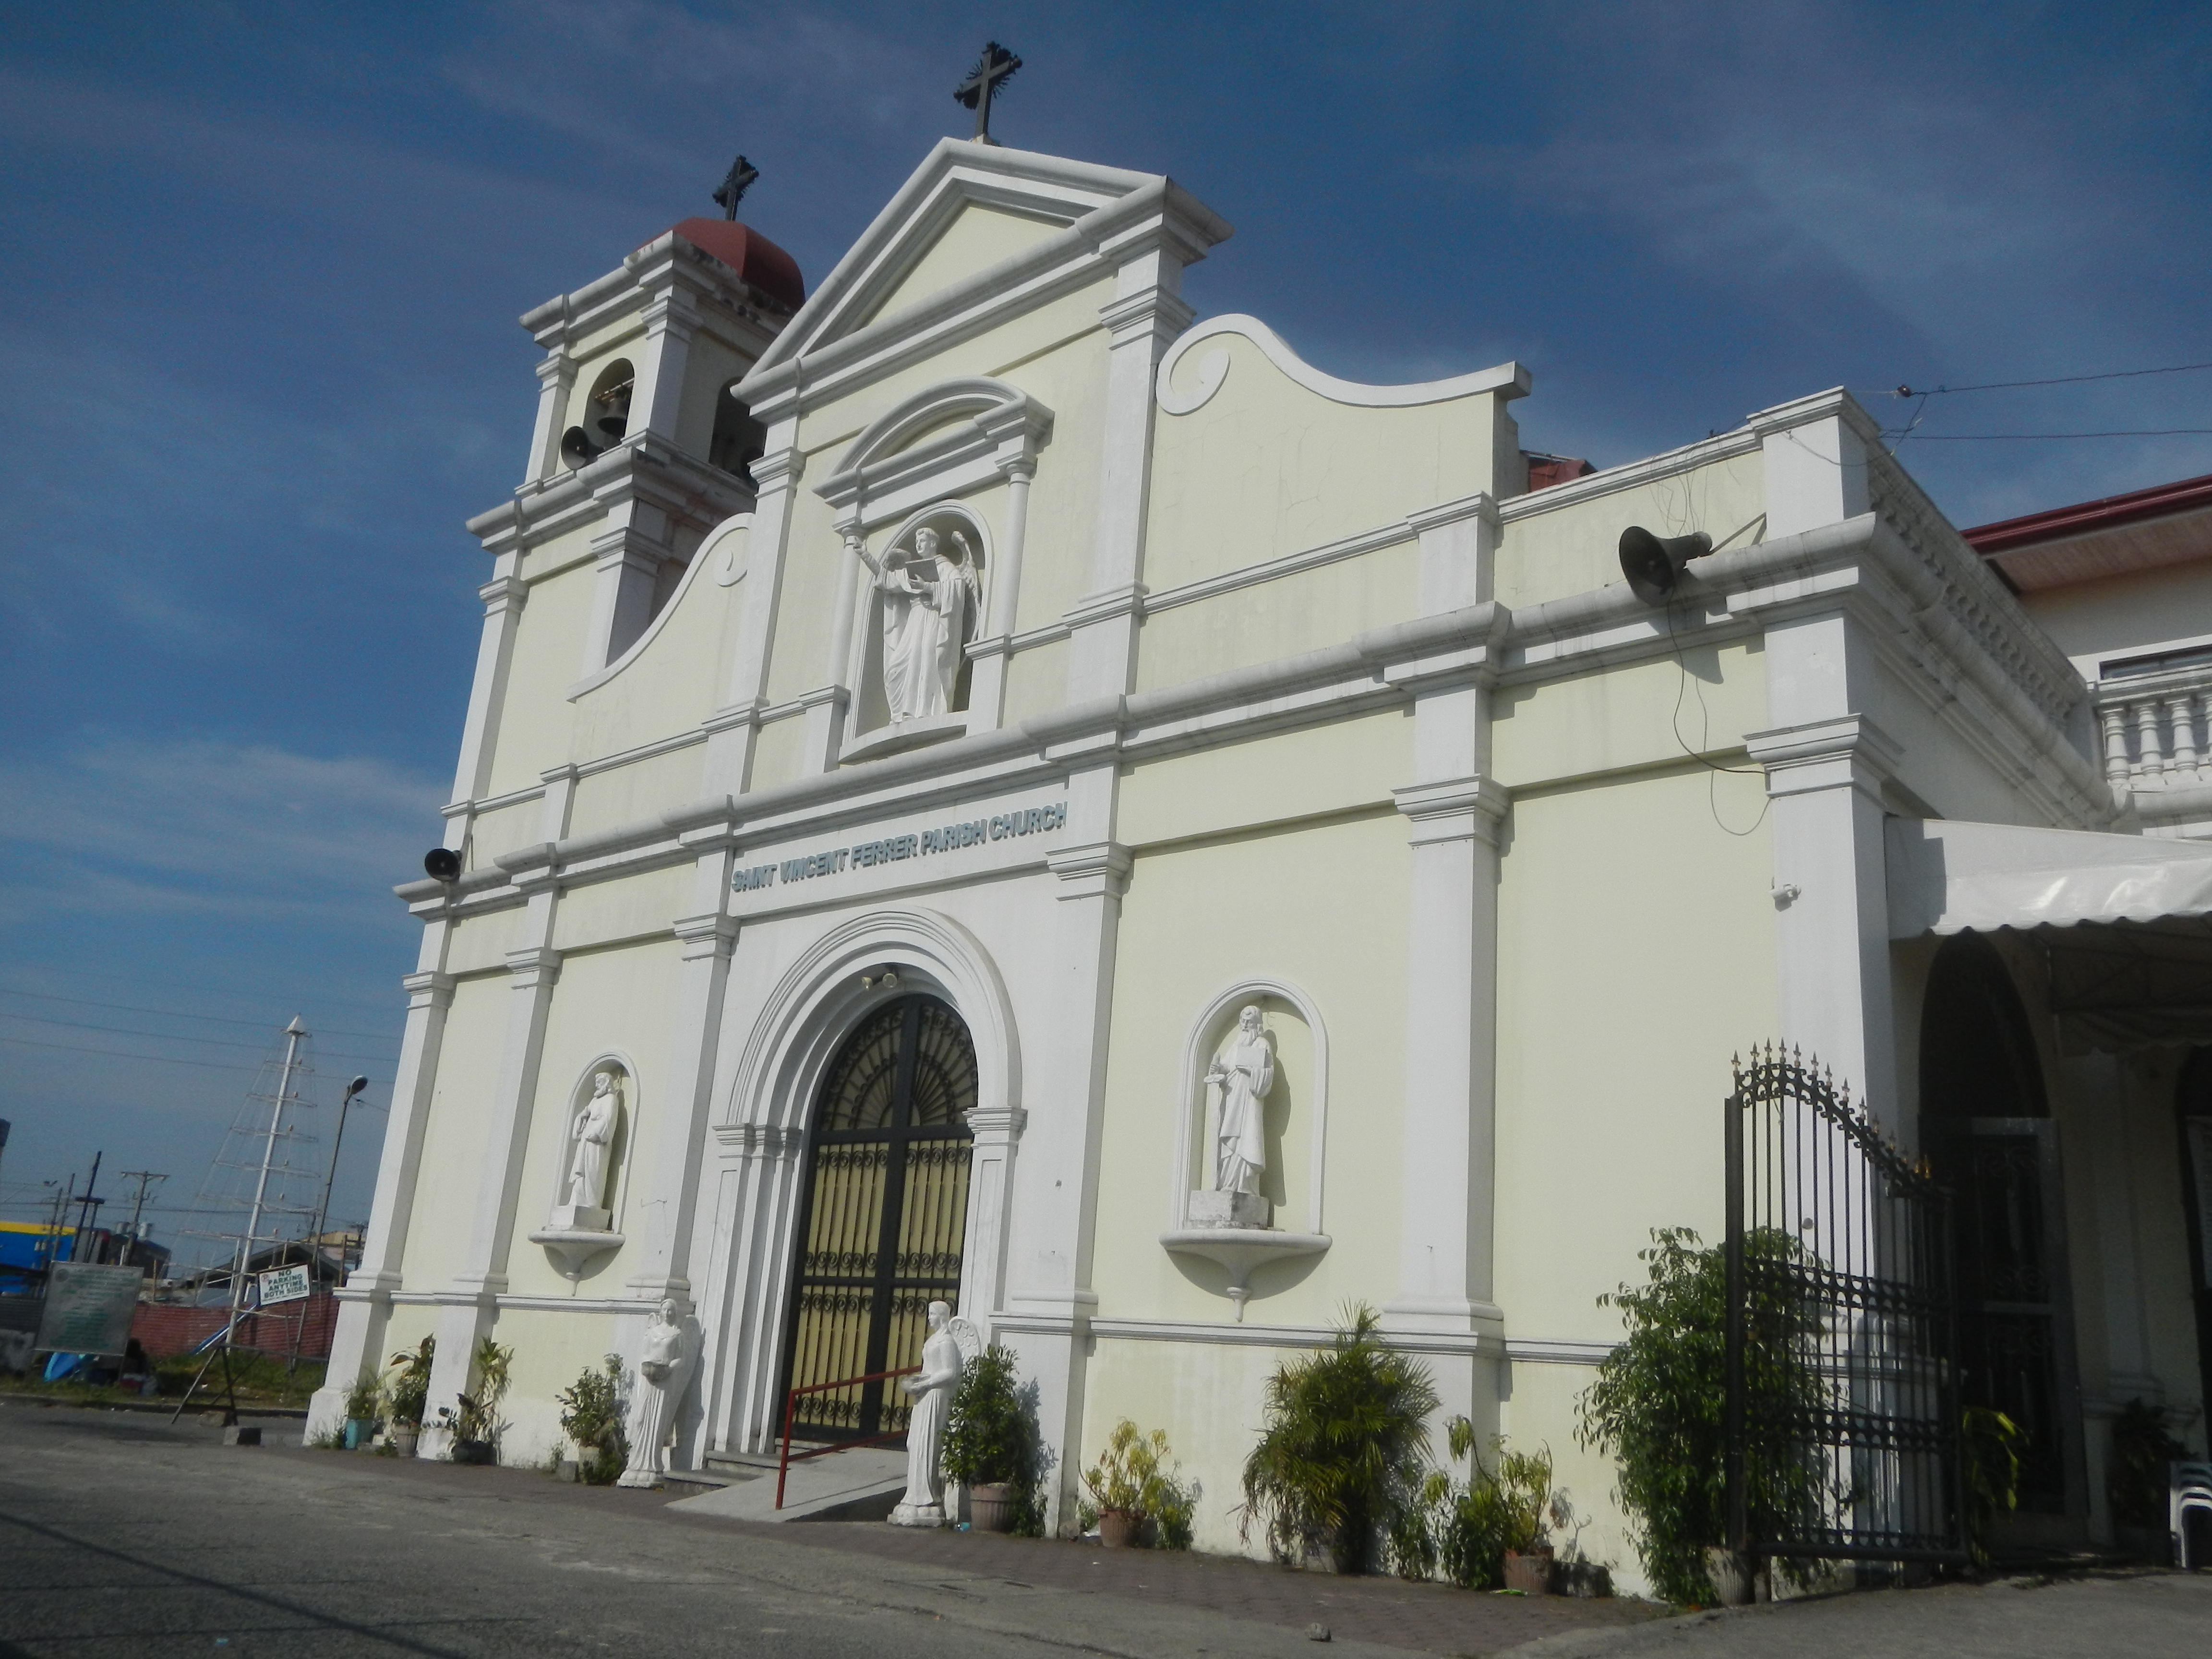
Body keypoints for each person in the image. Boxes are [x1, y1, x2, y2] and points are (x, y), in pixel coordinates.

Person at [879, 527, 981, 721]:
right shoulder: (909, 570)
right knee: (899, 664)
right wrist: (865, 555)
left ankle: (926, 711)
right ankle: (905, 710)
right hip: (915, 620)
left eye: (922, 541)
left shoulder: (944, 566)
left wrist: (928, 587)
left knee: (928, 656)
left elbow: (957, 587)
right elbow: (887, 580)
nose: (918, 545)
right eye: (917, 542)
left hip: (934, 619)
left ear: (933, 543)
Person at [889, 1300, 964, 1526]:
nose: (929, 1318)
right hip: (924, 1393)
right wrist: (917, 1382)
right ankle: (913, 1494)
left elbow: (950, 1372)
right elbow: (929, 1369)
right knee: (914, 1443)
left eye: (932, 1314)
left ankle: (927, 1498)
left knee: (928, 1443)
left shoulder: (947, 1342)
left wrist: (927, 1383)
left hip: (935, 1395)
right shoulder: (933, 1340)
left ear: (942, 1316)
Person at [616, 1299, 694, 1488]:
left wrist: (668, 1369)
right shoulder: (651, 1332)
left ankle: (652, 1466)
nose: (668, 1313)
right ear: (660, 1312)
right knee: (641, 1419)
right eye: (665, 1310)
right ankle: (635, 1464)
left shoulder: (677, 1334)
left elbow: (681, 1359)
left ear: (675, 1313)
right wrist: (648, 1366)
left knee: (657, 1422)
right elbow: (644, 1354)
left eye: (671, 1310)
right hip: (648, 1380)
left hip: (664, 1381)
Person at [1208, 1005, 1275, 1196]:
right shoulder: (1236, 1045)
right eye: (1243, 1021)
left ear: (1257, 1024)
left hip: (1250, 1101)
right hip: (1232, 1099)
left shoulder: (1262, 1044)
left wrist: (1252, 1072)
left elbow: (1268, 1074)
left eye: (1249, 1022)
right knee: (1230, 1142)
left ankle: (1245, 1185)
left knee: (1247, 1138)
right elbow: (1226, 1067)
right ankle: (1227, 1183)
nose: (1245, 1025)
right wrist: (1218, 1069)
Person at [565, 1070, 619, 1213]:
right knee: (581, 1171)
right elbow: (584, 1117)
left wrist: (596, 1133)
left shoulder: (611, 1099)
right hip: (586, 1140)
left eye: (599, 1083)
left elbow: (609, 1119)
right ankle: (577, 1200)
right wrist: (582, 1118)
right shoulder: (594, 1101)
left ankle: (591, 1203)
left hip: (596, 1143)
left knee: (593, 1171)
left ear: (606, 1084)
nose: (596, 1085)